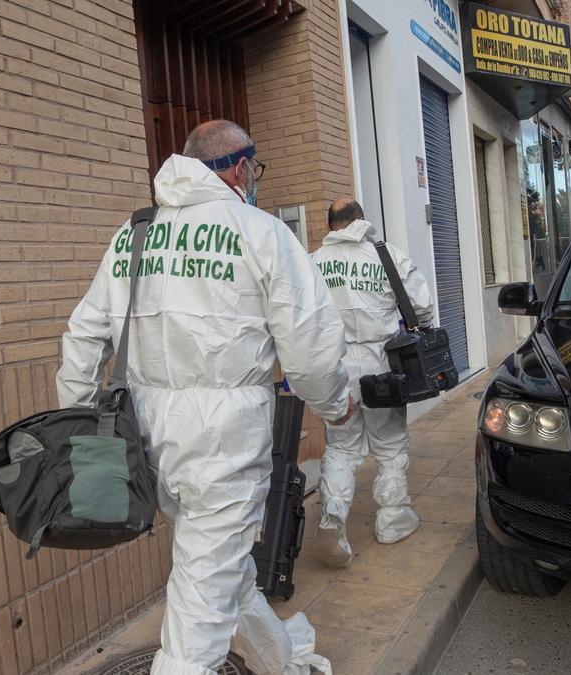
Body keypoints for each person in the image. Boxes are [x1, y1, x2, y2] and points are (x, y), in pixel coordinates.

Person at [56, 120, 356, 675]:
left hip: (147, 437)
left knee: (223, 572)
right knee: (197, 622)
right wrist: (337, 404)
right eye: (256, 170)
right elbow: (311, 348)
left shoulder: (135, 233)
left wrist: (77, 423)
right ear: (241, 167)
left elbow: (84, 336)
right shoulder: (260, 233)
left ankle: (279, 664)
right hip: (223, 440)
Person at [310, 198, 435, 567]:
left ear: (331, 225)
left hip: (335, 367)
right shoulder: (386, 255)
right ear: (361, 220)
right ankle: (392, 520)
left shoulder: (314, 262)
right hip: (382, 366)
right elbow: (423, 308)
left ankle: (333, 517)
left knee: (343, 447)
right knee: (390, 444)